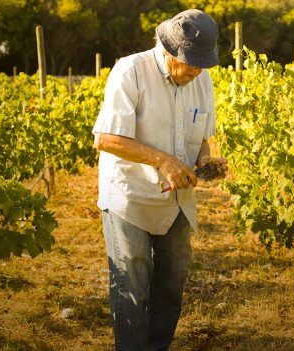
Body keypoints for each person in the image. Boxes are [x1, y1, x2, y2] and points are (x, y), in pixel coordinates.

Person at [92, 9, 227, 351]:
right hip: (130, 195)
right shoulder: (130, 71)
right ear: (168, 52)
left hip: (176, 200)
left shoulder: (203, 80)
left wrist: (206, 160)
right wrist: (163, 161)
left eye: (202, 63)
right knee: (132, 285)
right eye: (190, 63)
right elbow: (106, 139)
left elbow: (202, 139)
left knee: (171, 281)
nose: (197, 71)